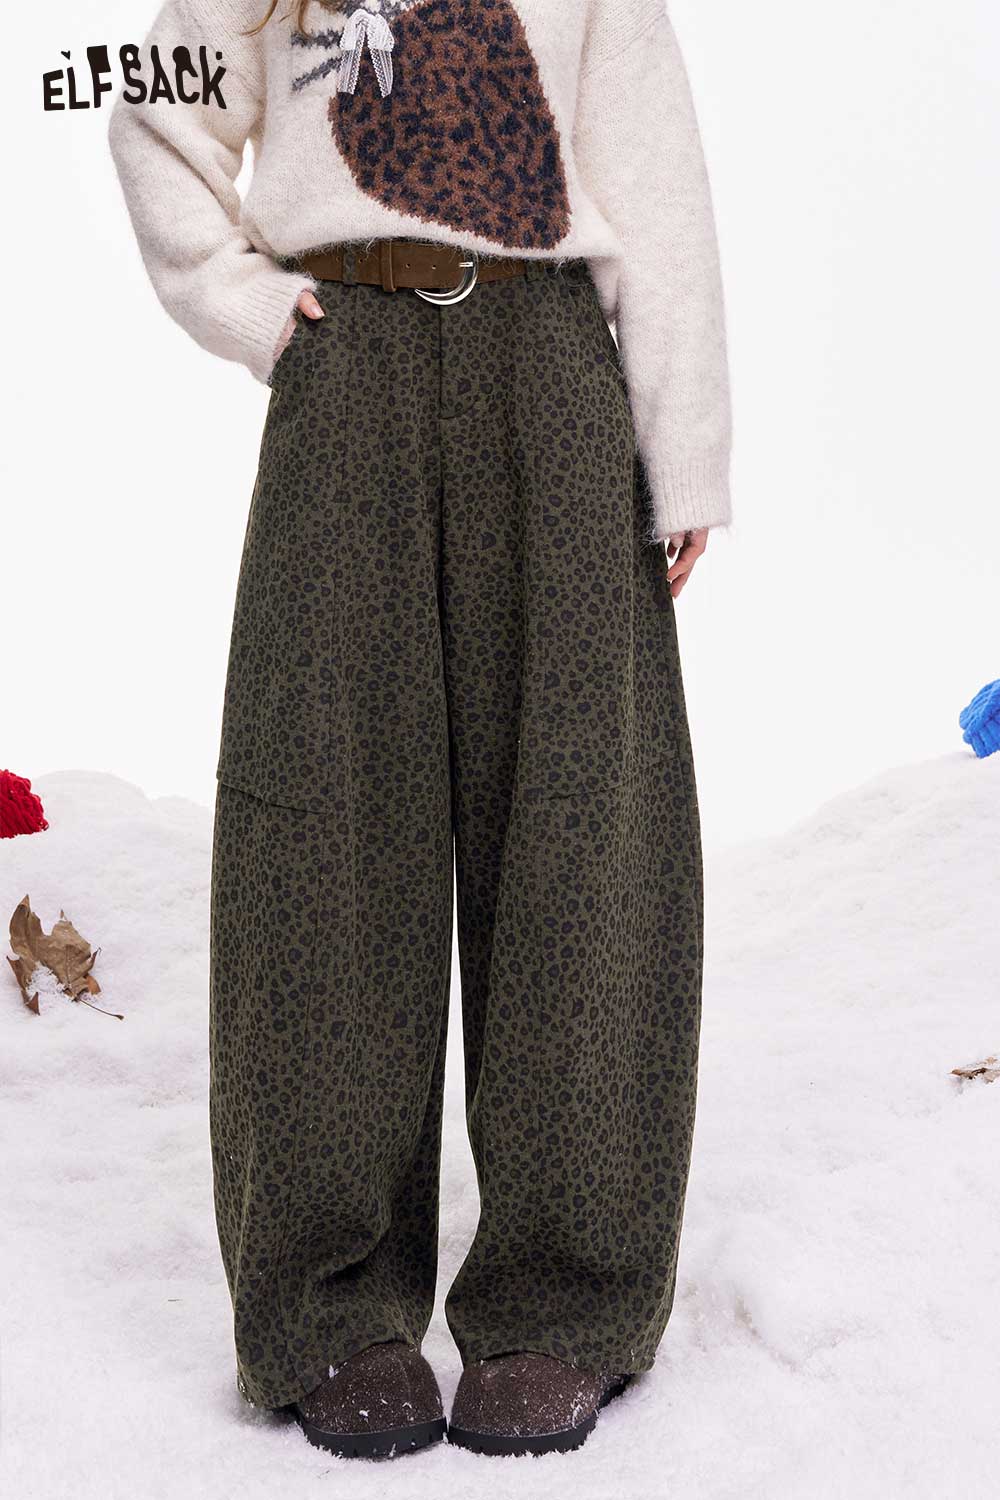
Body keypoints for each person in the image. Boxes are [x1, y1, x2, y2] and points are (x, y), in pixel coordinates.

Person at [109, 0, 732, 1461]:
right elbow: (156, 102)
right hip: (345, 371)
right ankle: (328, 1306)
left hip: (551, 371)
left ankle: (568, 1298)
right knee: (323, 823)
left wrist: (683, 452)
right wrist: (244, 303)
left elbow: (654, 181)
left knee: (584, 822)